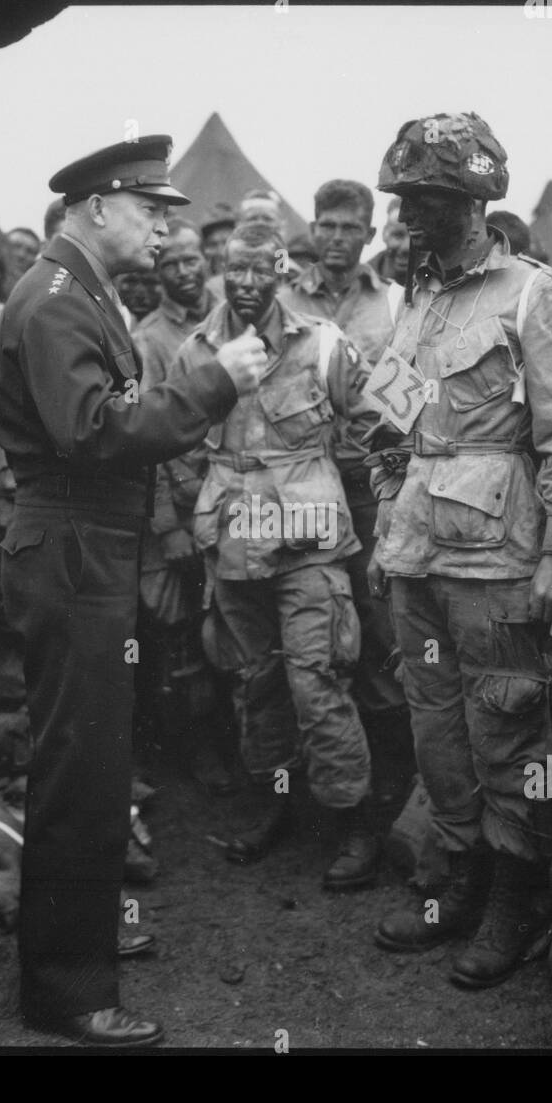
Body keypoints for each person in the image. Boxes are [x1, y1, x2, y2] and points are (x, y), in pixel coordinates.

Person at [0, 135, 267, 1047]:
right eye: (151, 211)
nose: (162, 228)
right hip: (75, 543)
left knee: (93, 756)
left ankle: (73, 945)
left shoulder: (76, 290)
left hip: (83, 542)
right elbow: (95, 431)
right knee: (82, 765)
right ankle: (69, 989)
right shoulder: (58, 299)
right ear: (98, 207)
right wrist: (212, 383)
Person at [367, 113, 552, 990]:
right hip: (418, 551)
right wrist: (388, 522)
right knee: (436, 729)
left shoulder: (539, 296)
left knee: (506, 727)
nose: (412, 214)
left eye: (429, 198)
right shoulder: (418, 298)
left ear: (474, 202)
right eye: (405, 198)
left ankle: (519, 891)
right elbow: (394, 423)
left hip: (500, 557)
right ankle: (458, 878)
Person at [179, 221, 387, 888]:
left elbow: (385, 416)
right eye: (233, 272)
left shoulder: (323, 342)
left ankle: (353, 819)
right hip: (235, 538)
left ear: (282, 273)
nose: (244, 285)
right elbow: (177, 448)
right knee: (257, 683)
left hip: (309, 538)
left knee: (317, 677)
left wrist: (379, 503)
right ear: (220, 270)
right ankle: (274, 805)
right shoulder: (197, 352)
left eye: (259, 272)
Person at [280, 179, 412, 801]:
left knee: (380, 628)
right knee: (315, 638)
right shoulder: (282, 300)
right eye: (325, 226)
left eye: (348, 228)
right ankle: (316, 788)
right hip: (298, 494)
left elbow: (407, 400)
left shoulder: (393, 303)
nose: (335, 239)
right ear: (312, 228)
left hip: (366, 489)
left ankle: (387, 786)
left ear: (369, 234)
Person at [131, 219, 234, 791]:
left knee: (232, 624)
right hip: (180, 501)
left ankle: (237, 745)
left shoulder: (233, 314)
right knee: (178, 636)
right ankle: (195, 751)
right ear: (158, 270)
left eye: (192, 260)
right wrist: (166, 525)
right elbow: (145, 437)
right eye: (170, 263)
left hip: (235, 500)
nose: (184, 271)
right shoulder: (147, 340)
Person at [368, 196, 411, 286]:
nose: (406, 247)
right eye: (398, 235)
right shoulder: (359, 283)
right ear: (384, 234)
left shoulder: (440, 285)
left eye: (415, 236)